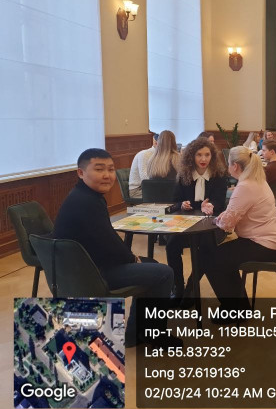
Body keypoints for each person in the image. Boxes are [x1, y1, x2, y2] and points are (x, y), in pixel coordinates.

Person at [54, 149, 174, 347]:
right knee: (164, 273)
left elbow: (105, 239)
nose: (107, 175)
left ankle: (136, 333)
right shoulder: (86, 202)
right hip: (92, 274)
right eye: (99, 169)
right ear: (81, 173)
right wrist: (132, 259)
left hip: (83, 268)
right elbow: (107, 244)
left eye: (110, 169)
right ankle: (153, 335)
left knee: (150, 264)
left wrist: (132, 258)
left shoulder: (84, 195)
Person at [204, 146, 276, 312]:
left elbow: (227, 225)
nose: (228, 166)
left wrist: (216, 219)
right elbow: (236, 212)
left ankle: (233, 309)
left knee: (211, 258)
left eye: (228, 163)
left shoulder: (245, 186)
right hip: (275, 241)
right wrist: (224, 216)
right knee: (219, 256)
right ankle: (240, 306)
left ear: (235, 166)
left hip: (264, 245)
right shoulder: (257, 180)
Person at [166, 137, 228, 297]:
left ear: (212, 156)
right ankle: (177, 287)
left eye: (207, 155)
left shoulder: (219, 175)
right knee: (171, 245)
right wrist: (182, 204)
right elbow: (175, 201)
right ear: (191, 156)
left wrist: (211, 205)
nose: (203, 159)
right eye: (199, 155)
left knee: (207, 247)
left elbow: (220, 202)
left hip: (210, 223)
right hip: (187, 222)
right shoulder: (183, 175)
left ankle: (191, 287)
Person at [129, 132, 158, 198]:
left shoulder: (160, 156)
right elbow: (144, 178)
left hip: (150, 188)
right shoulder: (144, 154)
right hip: (137, 190)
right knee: (164, 195)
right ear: (156, 143)